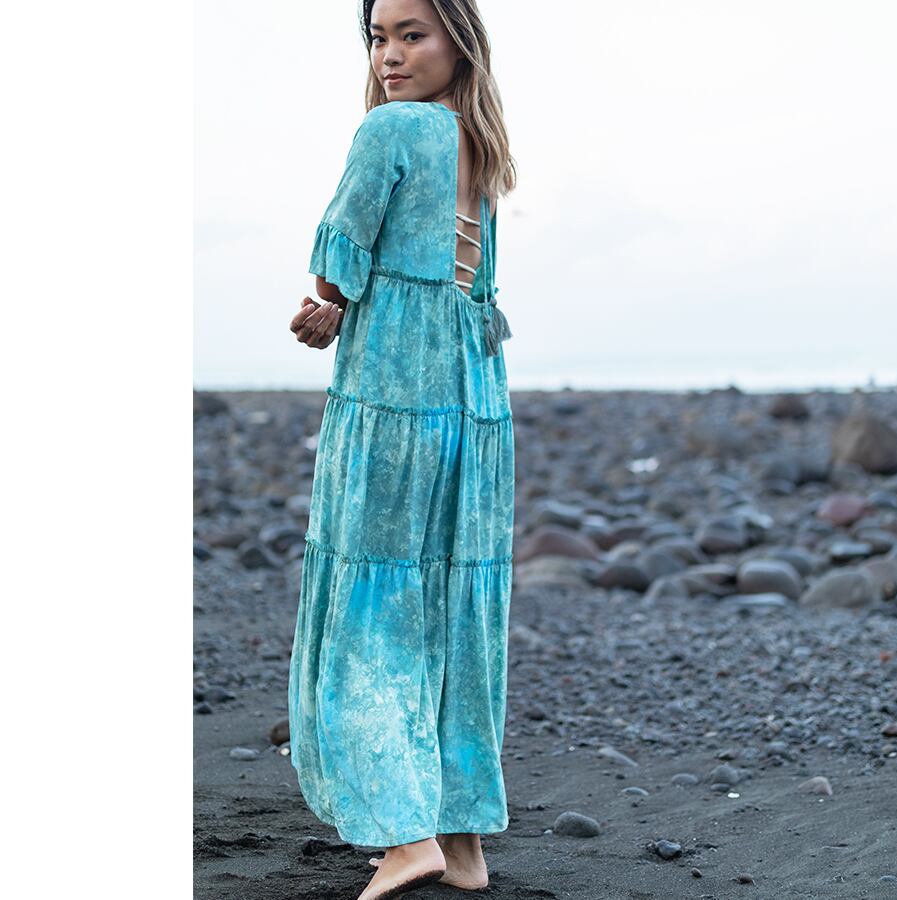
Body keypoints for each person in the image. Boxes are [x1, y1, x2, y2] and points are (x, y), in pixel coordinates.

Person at [287, 1, 516, 896]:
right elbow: (476, 285)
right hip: (476, 402)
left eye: (411, 34)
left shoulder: (391, 131)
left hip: (394, 395)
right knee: (457, 609)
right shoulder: (482, 147)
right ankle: (461, 844)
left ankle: (403, 833)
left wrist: (327, 305)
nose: (389, 55)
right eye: (378, 37)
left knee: (372, 612)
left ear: (459, 39)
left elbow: (338, 258)